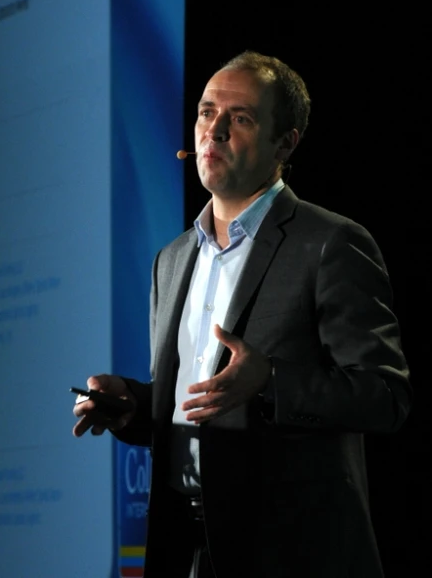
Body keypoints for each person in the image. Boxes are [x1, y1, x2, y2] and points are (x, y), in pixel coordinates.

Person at [73, 50, 411, 577]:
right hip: (185, 547)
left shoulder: (331, 243)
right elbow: (196, 404)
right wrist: (134, 406)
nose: (216, 130)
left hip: (290, 553)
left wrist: (271, 382)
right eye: (207, 112)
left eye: (241, 118)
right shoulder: (172, 259)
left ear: (285, 143)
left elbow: (386, 396)